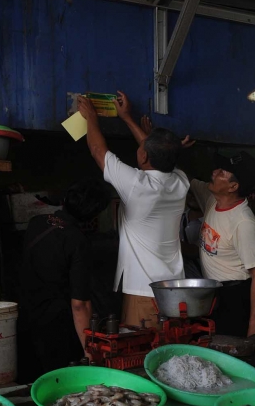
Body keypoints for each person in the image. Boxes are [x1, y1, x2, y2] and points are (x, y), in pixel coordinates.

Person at [77, 91, 189, 327]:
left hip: (144, 292)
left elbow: (98, 151)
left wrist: (90, 117)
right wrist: (127, 118)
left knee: (144, 354)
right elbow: (158, 155)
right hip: (174, 290)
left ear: (144, 156)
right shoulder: (180, 181)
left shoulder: (138, 186)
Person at [18, 177, 111, 379]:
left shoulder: (36, 223)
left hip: (26, 320)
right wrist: (90, 349)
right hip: (55, 328)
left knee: (32, 382)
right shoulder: (77, 241)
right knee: (59, 382)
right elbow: (80, 305)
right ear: (93, 214)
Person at [190, 152, 255, 337]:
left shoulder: (243, 223)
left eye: (223, 172)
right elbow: (182, 177)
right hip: (214, 294)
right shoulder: (210, 198)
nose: (215, 172)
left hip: (235, 297)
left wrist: (254, 325)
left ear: (233, 186)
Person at [180, 190, 204, 279]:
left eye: (198, 194)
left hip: (202, 280)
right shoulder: (178, 217)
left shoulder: (213, 222)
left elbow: (197, 252)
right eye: (191, 193)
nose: (194, 197)